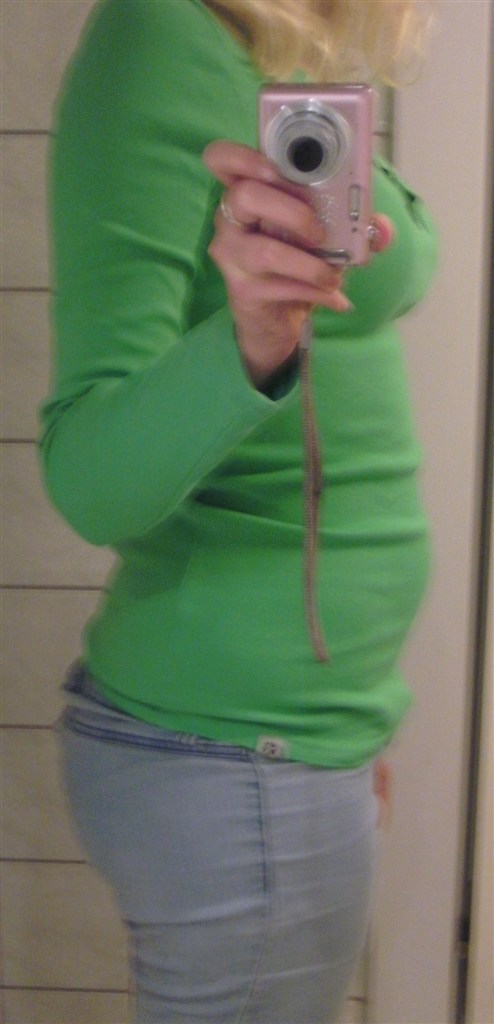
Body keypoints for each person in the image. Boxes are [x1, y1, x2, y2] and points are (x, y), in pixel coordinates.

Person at [39, 0, 437, 1021]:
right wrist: (250, 343)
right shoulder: (158, 38)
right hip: (236, 746)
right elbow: (90, 477)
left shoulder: (268, 53)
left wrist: (345, 731)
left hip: (278, 744)